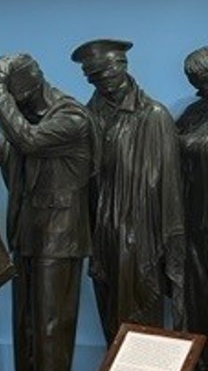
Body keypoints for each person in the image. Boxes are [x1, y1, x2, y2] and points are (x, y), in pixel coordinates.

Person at [70, 38, 184, 344]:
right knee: (111, 316)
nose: (104, 82)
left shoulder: (153, 115)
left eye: (108, 73)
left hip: (142, 234)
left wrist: (170, 244)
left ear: (123, 67)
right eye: (94, 77)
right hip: (101, 233)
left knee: (143, 316)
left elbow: (170, 185)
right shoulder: (85, 118)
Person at [0, 53, 94, 371]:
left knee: (50, 329)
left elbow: (28, 142)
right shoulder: (27, 117)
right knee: (27, 327)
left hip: (60, 240)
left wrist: (0, 93)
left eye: (12, 94)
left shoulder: (71, 116)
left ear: (29, 85)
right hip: (28, 235)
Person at [176, 46, 208, 370]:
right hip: (194, 221)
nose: (200, 87)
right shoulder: (192, 115)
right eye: (196, 82)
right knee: (197, 294)